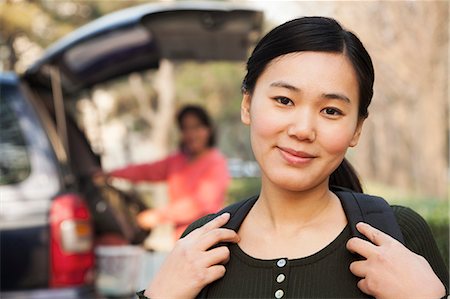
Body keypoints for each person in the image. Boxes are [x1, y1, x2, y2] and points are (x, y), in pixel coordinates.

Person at [138, 17, 449, 298]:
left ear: (356, 129)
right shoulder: (202, 245)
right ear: (247, 105)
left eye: (331, 111)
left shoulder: (398, 235)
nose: (303, 130)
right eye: (284, 100)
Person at [105, 105, 230, 240]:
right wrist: (110, 174)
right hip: (181, 240)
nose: (191, 134)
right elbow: (147, 171)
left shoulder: (216, 162)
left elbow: (199, 204)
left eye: (196, 127)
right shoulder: (178, 160)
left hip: (207, 238)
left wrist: (157, 216)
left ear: (208, 130)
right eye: (185, 129)